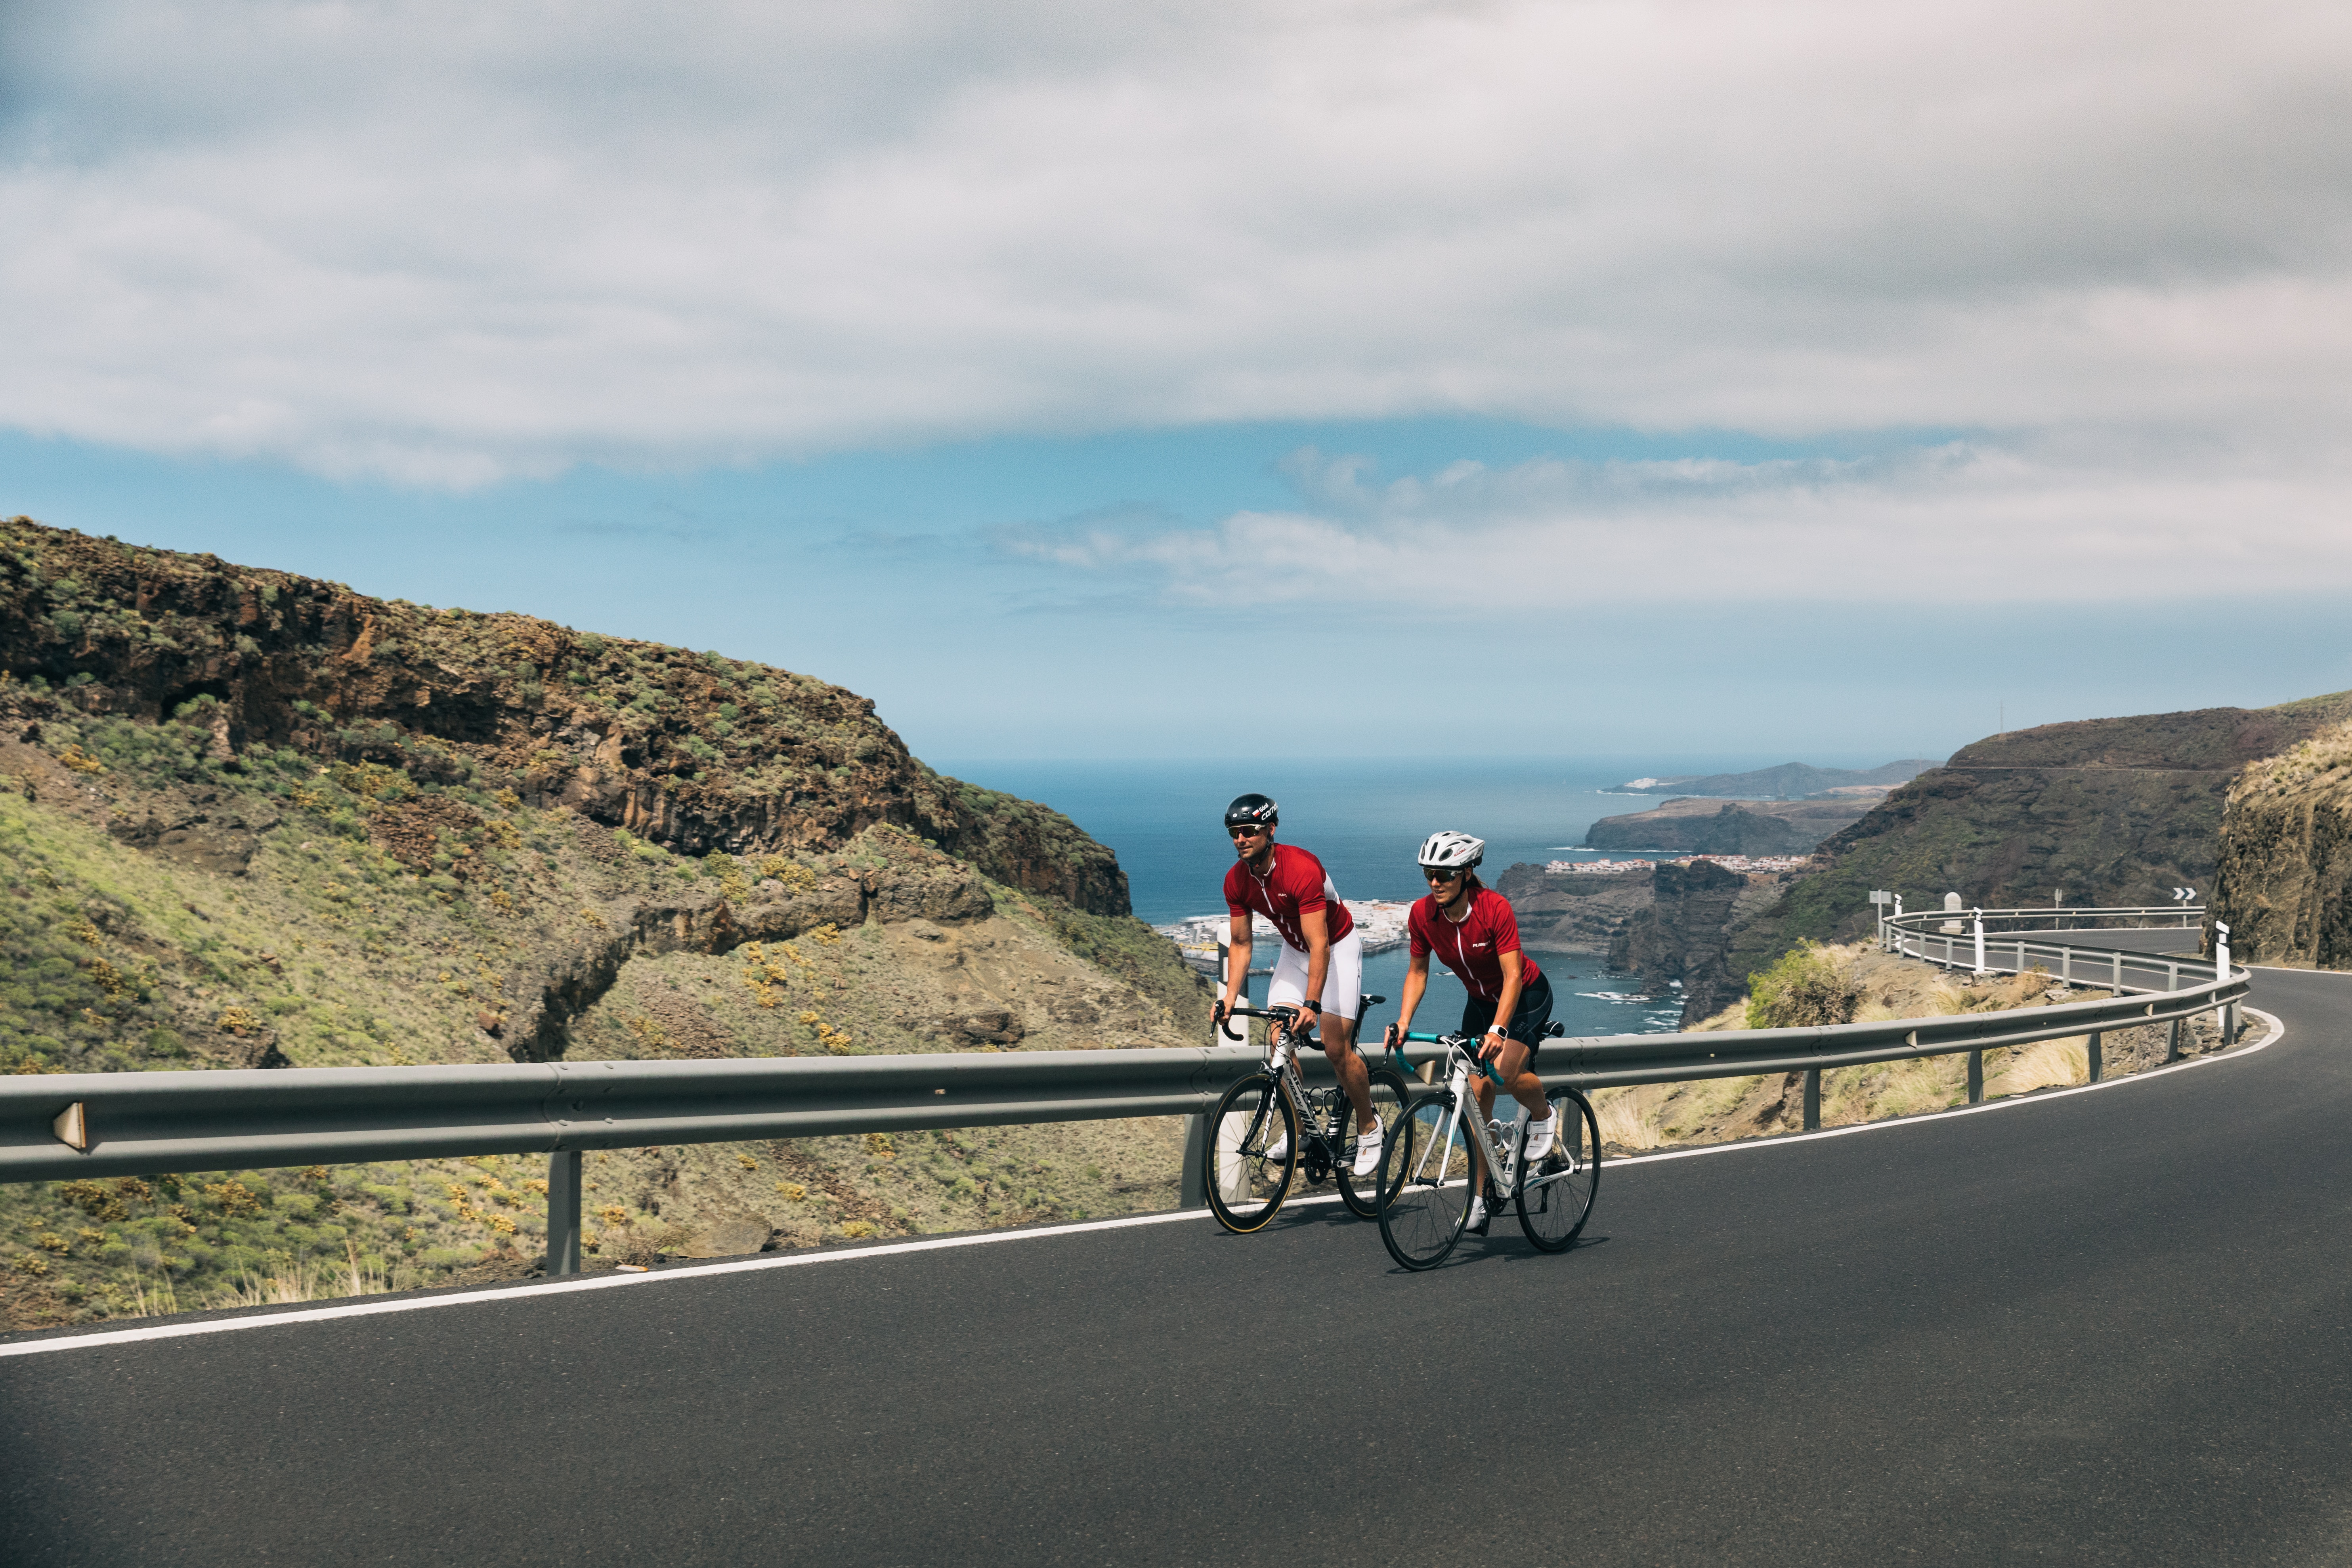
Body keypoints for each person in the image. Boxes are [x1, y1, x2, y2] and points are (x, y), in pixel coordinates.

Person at [1385, 829, 1555, 1234]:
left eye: (1444, 874)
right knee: (1477, 1097)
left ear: (1465, 873)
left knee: (1508, 1071)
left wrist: (1499, 1030)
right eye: (1429, 874)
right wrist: (1404, 1021)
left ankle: (1544, 1114)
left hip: (1525, 995)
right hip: (1479, 1001)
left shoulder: (1494, 908)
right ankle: (1479, 1199)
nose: (1435, 883)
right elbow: (1417, 971)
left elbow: (1513, 977)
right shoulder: (1422, 915)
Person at [1213, 793, 1381, 1176]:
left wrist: (1312, 1004)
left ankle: (1370, 1127)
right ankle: (1301, 1127)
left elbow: (1320, 944)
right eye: (1234, 833)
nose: (1240, 839)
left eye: (1249, 832)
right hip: (1295, 951)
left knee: (1337, 1049)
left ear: (1270, 831)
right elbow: (1240, 944)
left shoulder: (1301, 869)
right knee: (1278, 1041)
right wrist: (1229, 998)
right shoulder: (1236, 880)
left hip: (1335, 948)